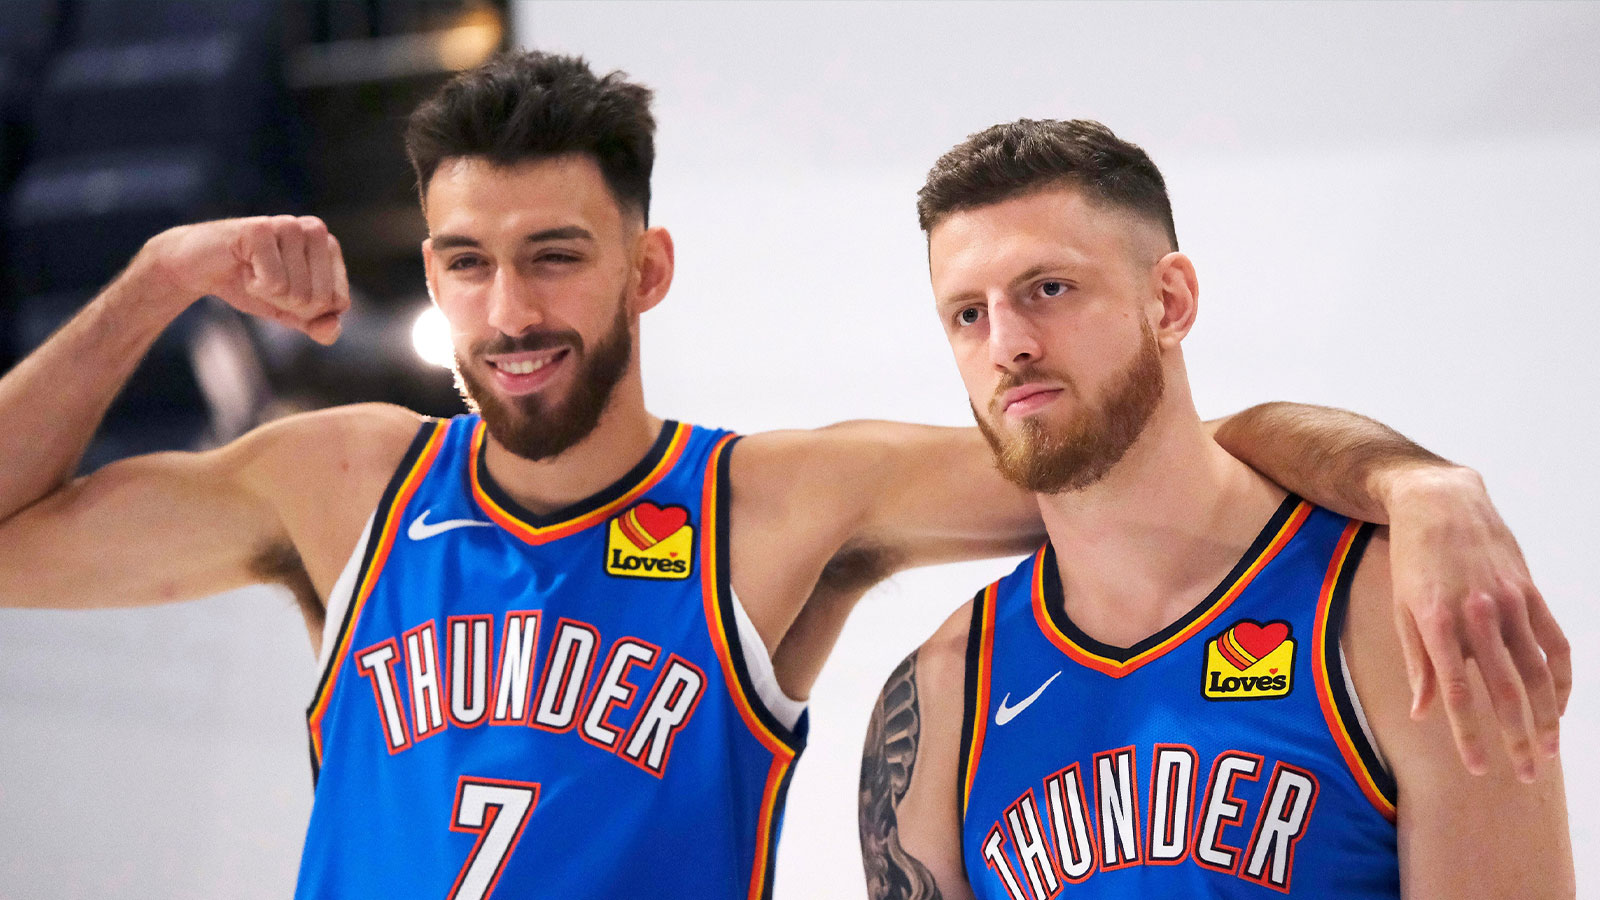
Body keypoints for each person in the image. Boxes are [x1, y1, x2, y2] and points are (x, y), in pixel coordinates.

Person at [0, 53, 1564, 899]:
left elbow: (1125, 455)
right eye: (468, 265)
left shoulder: (776, 509)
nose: (512, 309)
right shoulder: (341, 487)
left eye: (557, 257)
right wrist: (152, 277)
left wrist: (1422, 487)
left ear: (647, 268)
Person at [858, 118, 1573, 899]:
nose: (1007, 344)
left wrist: (1423, 482)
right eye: (969, 314)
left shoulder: (1397, 613)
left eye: (1049, 289)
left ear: (1169, 301)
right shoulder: (943, 695)